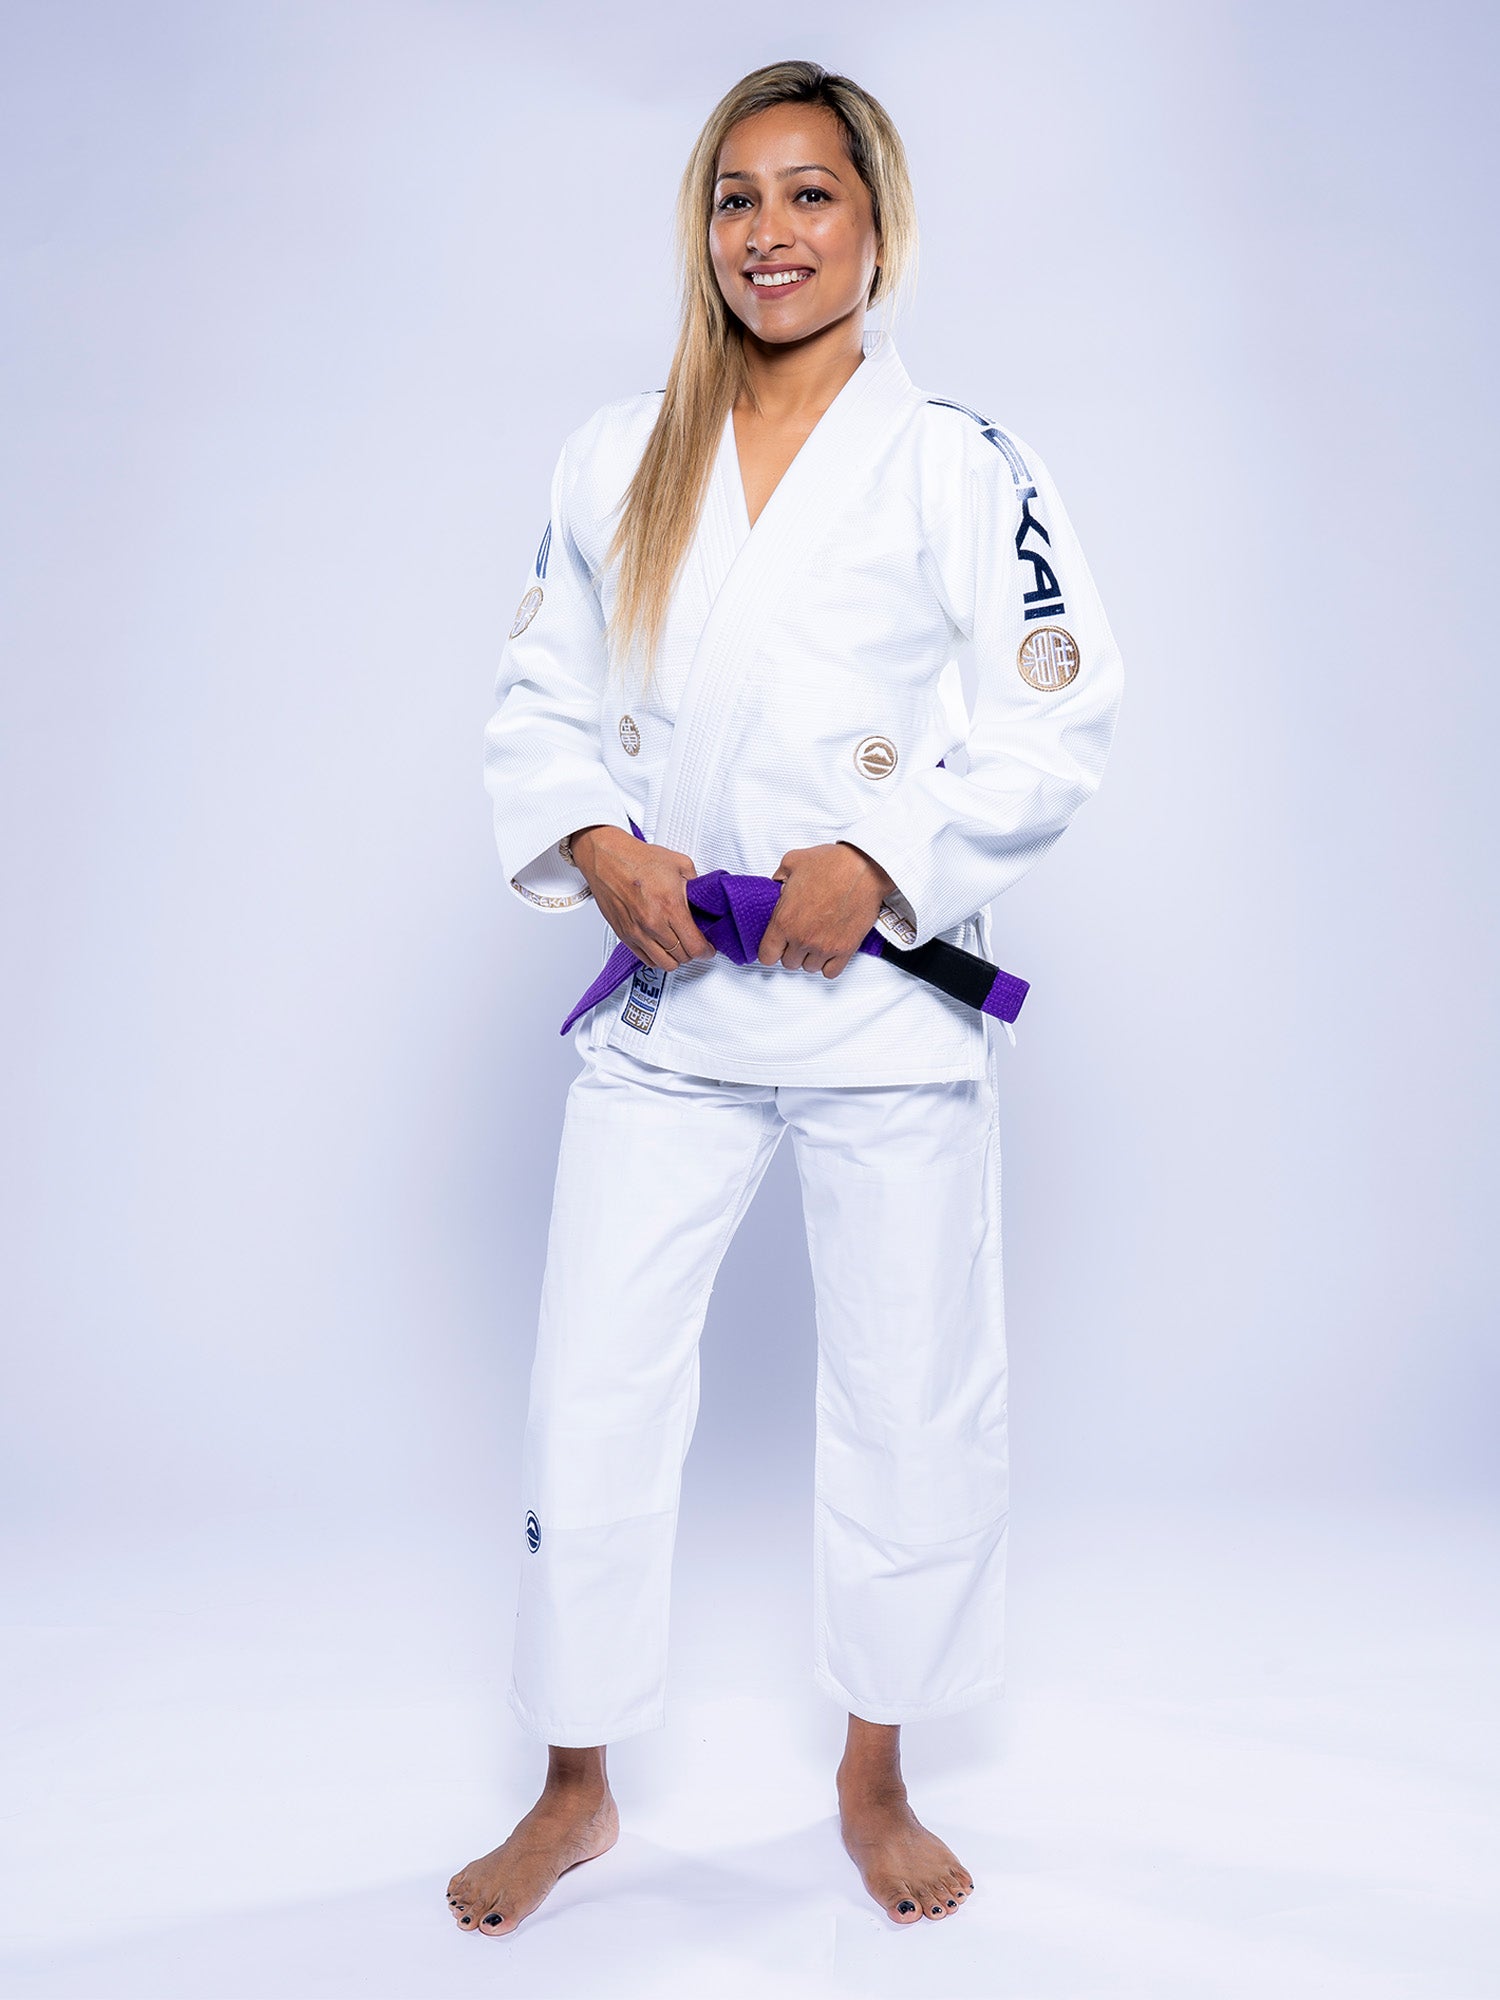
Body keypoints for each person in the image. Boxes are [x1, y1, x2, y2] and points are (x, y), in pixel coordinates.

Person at [449, 58, 1123, 1937]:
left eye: (811, 196)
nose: (772, 233)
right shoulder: (616, 450)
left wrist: (884, 857)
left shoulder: (962, 462)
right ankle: (575, 1785)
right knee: (593, 1392)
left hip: (876, 1006)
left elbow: (1054, 712)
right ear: (705, 233)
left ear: (878, 224)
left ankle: (875, 1768)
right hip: (672, 1006)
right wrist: (598, 845)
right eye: (739, 199)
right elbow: (538, 705)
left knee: (909, 1400)